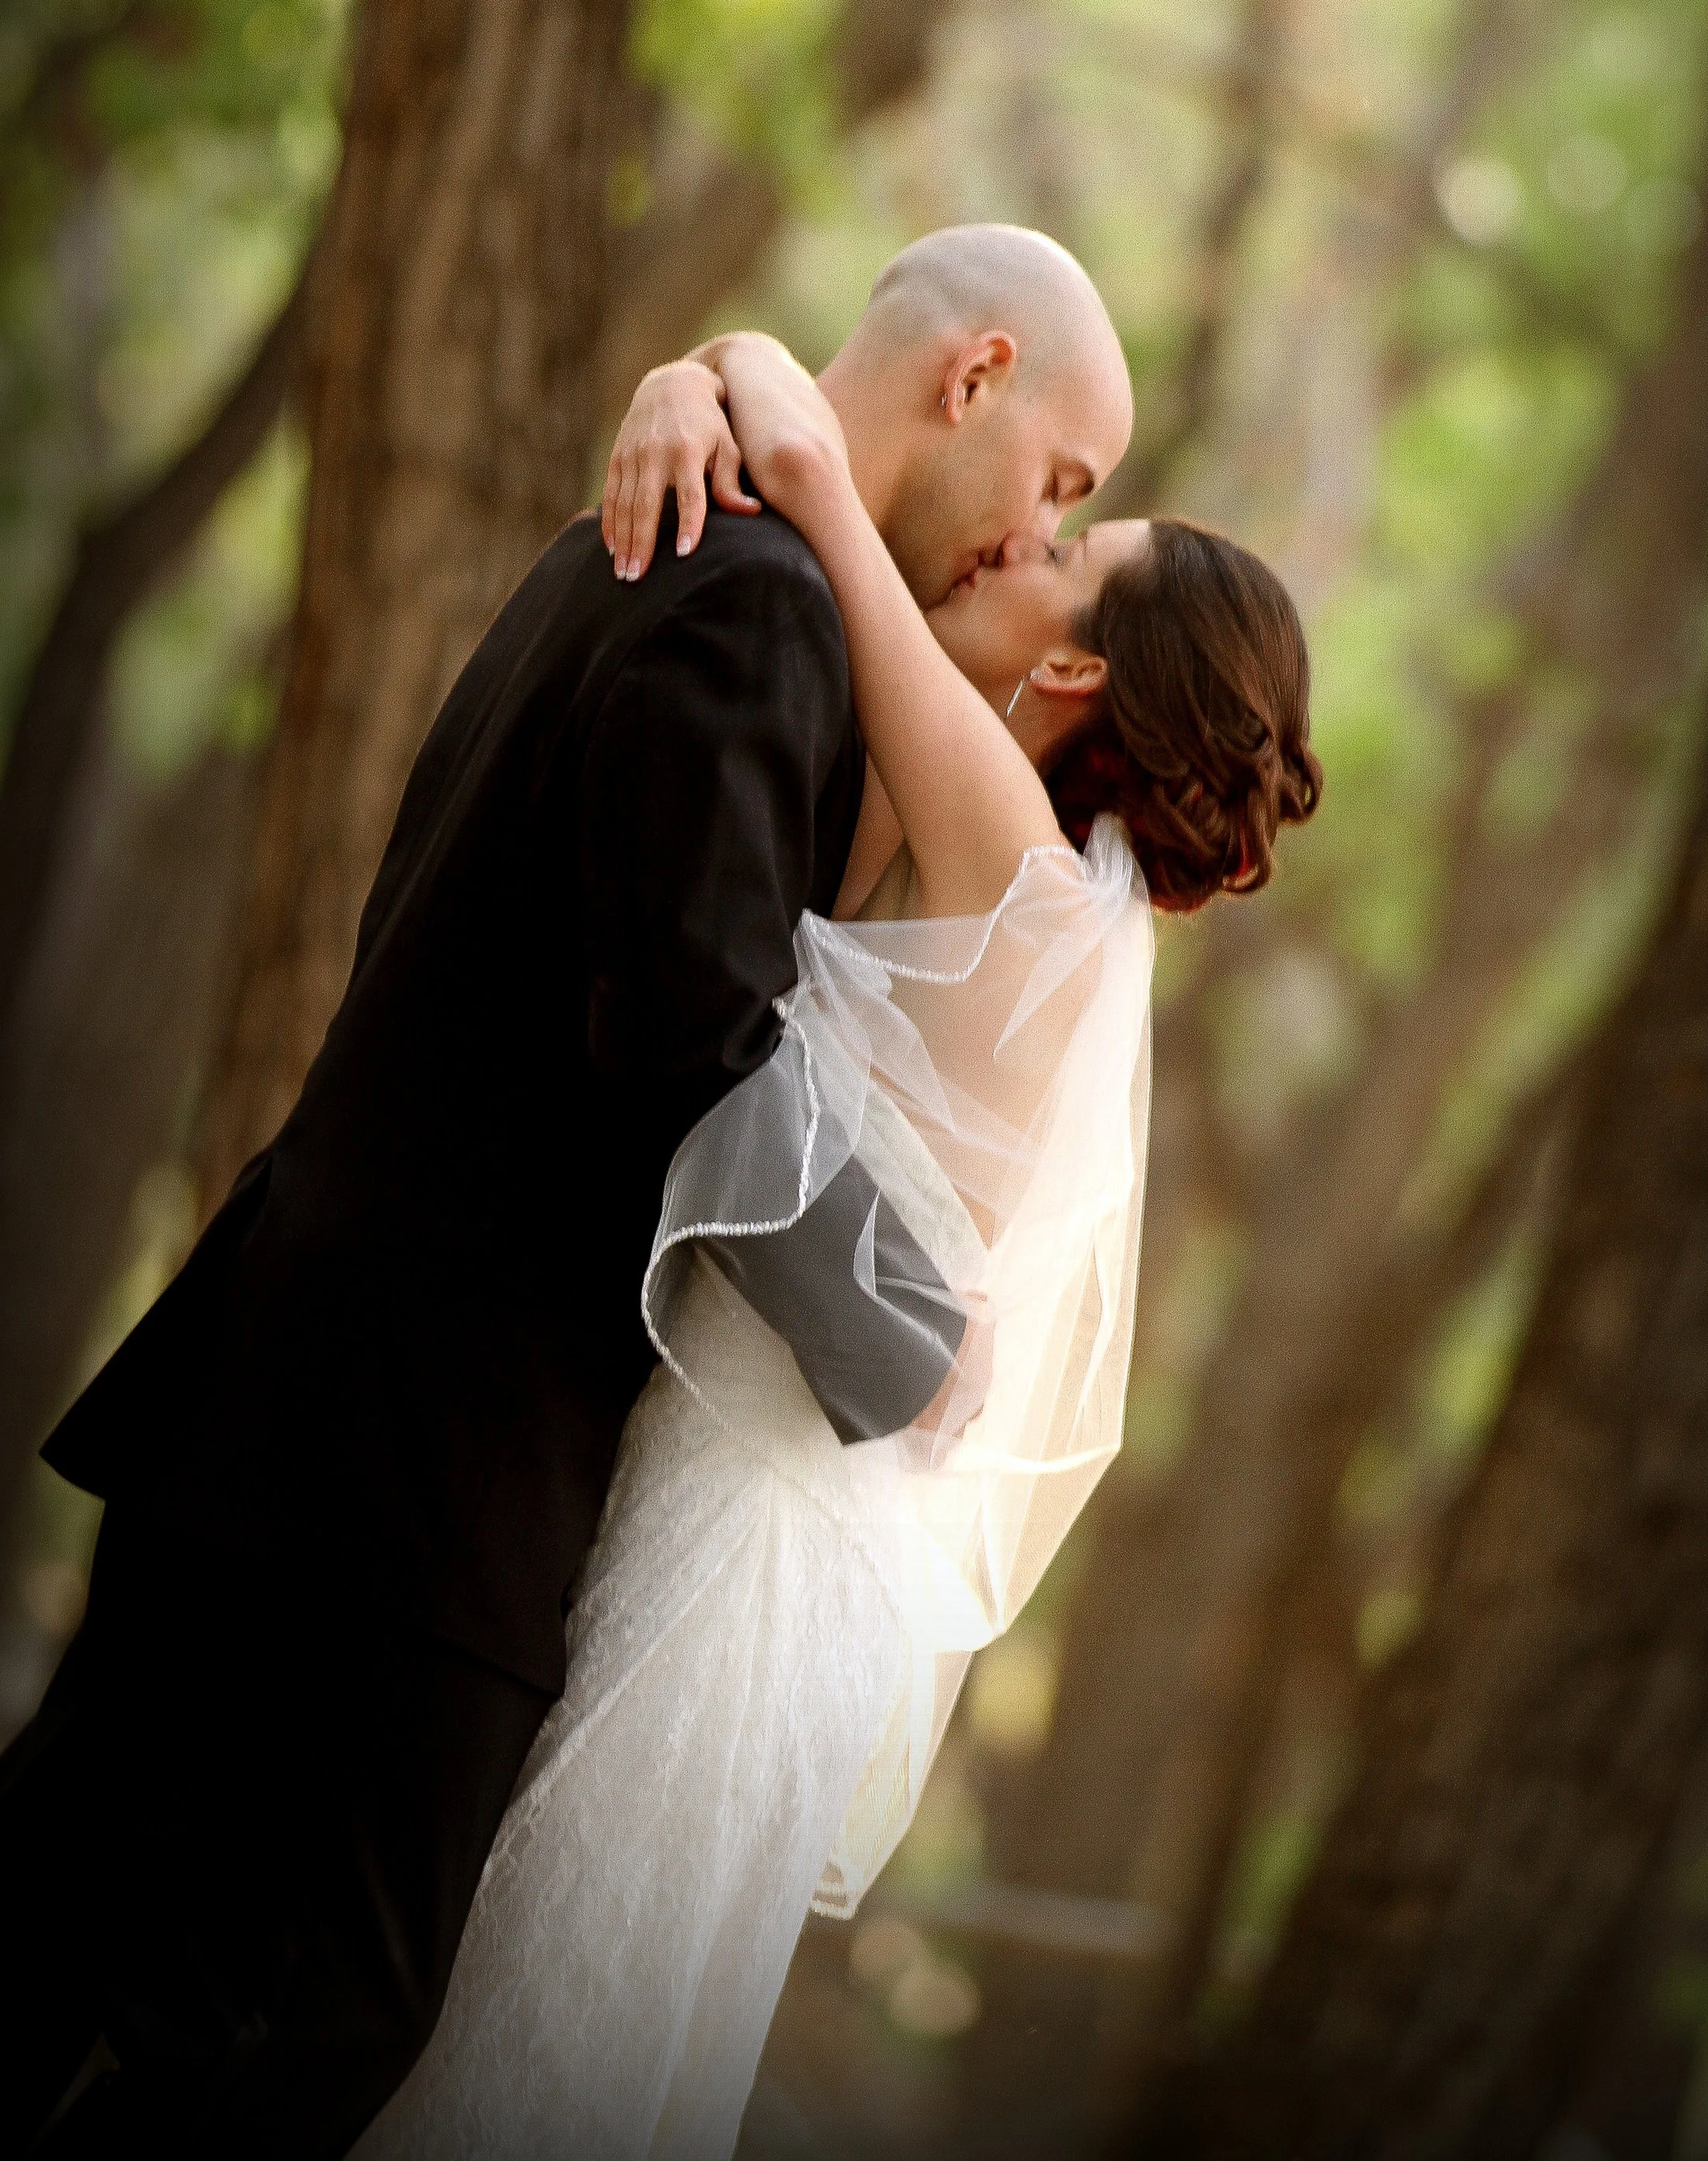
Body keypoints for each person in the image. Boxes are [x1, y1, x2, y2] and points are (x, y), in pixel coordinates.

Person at [0, 226, 1136, 2159]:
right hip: (419, 1454)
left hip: (286, 1378)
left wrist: (718, 369)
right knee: (305, 2016)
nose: (1036, 531)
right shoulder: (753, 596)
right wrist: (908, 1339)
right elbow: (688, 1032)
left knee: (63, 1906)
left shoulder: (655, 534)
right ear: (974, 374)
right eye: (1061, 480)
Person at [351, 327, 1322, 2156]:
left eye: (1058, 548)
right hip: (726, 1464)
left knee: (536, 2017)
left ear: (1073, 659)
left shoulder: (1020, 877)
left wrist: (728, 383)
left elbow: (817, 479)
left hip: (741, 1532)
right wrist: (678, 373)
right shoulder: (1006, 867)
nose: (1010, 545)